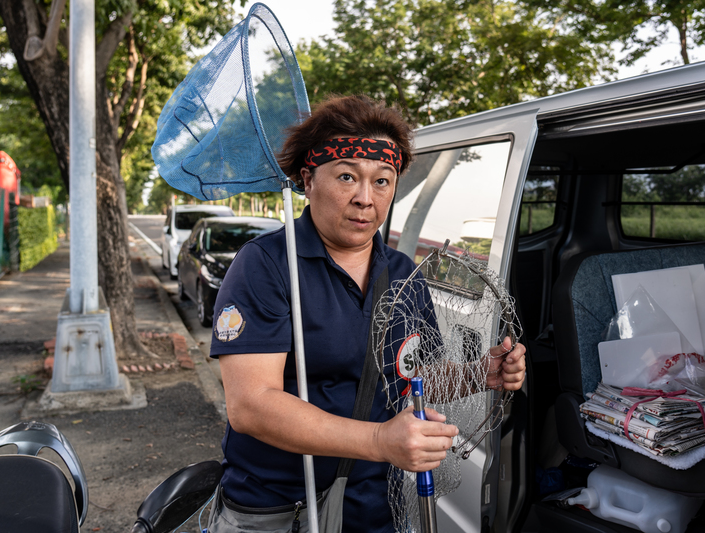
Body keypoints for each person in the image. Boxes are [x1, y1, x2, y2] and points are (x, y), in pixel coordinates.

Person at [208, 95, 526, 532]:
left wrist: (479, 374)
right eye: (346, 177)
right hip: (279, 508)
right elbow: (251, 405)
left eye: (382, 181)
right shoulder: (265, 265)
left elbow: (410, 379)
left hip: (374, 508)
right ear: (308, 180)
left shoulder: (402, 274)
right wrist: (379, 440)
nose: (364, 198)